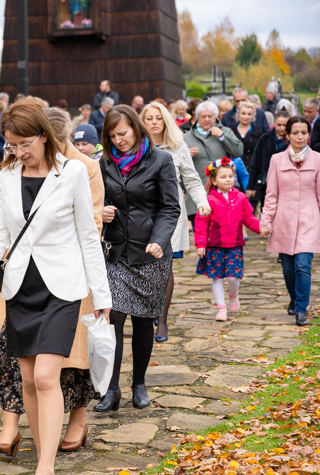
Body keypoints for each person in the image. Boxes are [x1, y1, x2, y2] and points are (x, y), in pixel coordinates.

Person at [0, 100, 111, 475]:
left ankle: (45, 470)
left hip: (62, 289)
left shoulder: (72, 174)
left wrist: (101, 296)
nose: (18, 152)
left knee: (48, 376)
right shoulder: (8, 175)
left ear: (45, 137)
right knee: (29, 380)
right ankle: (42, 456)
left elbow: (89, 236)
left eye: (24, 143)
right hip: (20, 288)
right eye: (12, 145)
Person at [95, 105, 180, 412]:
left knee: (144, 321)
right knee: (114, 317)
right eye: (113, 135)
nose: (119, 140)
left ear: (136, 128)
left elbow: (170, 207)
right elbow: (95, 200)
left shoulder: (161, 160)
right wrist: (100, 212)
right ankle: (112, 388)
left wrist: (159, 240)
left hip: (150, 254)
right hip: (117, 252)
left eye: (124, 133)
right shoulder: (103, 164)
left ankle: (139, 384)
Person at [141, 102, 210, 343]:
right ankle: (147, 310)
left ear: (166, 120)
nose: (153, 122)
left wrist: (202, 201)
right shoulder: (137, 147)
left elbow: (191, 179)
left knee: (165, 266)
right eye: (148, 118)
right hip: (141, 214)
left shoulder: (177, 147)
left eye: (158, 118)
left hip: (169, 214)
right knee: (144, 266)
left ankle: (161, 319)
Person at [259, 116, 320, 327]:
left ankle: (302, 309)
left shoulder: (318, 160)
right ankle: (294, 298)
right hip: (283, 219)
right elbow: (271, 194)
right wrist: (265, 220)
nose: (300, 136)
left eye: (304, 132)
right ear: (287, 135)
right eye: (295, 133)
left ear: (309, 134)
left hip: (309, 219)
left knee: (303, 265)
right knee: (288, 269)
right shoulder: (277, 160)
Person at [195, 158, 260, 321]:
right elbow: (201, 222)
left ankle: (233, 294)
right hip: (214, 245)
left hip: (234, 244)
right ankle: (221, 308)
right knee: (217, 277)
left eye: (230, 176)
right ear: (214, 180)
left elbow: (249, 218)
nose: (228, 179)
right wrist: (201, 244)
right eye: (223, 177)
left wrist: (260, 228)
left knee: (232, 276)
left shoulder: (240, 197)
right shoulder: (209, 200)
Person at [183, 101, 244, 223]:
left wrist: (222, 137)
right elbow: (177, 164)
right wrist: (185, 155)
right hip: (198, 194)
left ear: (215, 117)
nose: (206, 119)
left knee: (222, 235)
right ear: (196, 117)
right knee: (201, 236)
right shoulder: (187, 137)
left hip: (222, 193)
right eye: (203, 116)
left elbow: (238, 151)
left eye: (210, 116)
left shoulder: (225, 131)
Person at [247, 110, 291, 213]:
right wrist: (251, 186)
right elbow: (255, 162)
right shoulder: (264, 138)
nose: (281, 128)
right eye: (278, 125)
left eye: (284, 125)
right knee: (267, 210)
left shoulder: (292, 140)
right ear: (274, 123)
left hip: (287, 184)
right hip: (267, 184)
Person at [232, 102, 262, 177]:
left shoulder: (258, 132)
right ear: (238, 114)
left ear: (253, 116)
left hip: (251, 170)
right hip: (233, 171)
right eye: (243, 113)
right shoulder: (230, 130)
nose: (246, 117)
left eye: (249, 114)